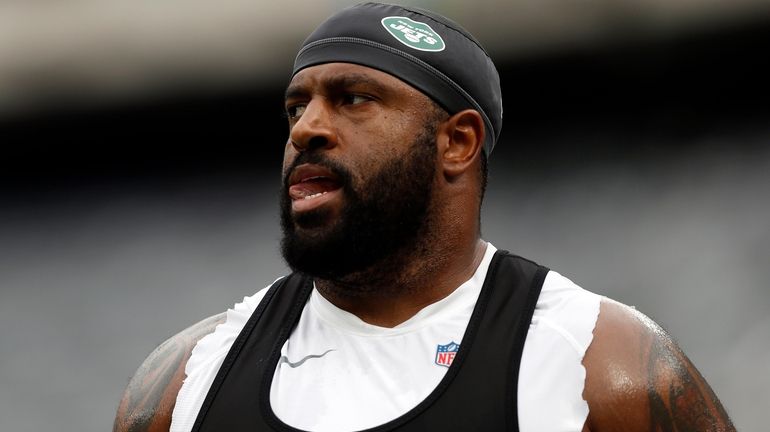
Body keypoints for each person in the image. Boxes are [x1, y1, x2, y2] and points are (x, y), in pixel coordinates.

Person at [114, 3, 736, 431]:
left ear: (457, 144)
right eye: (295, 107)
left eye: (353, 99)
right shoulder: (184, 384)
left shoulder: (601, 367)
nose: (307, 128)